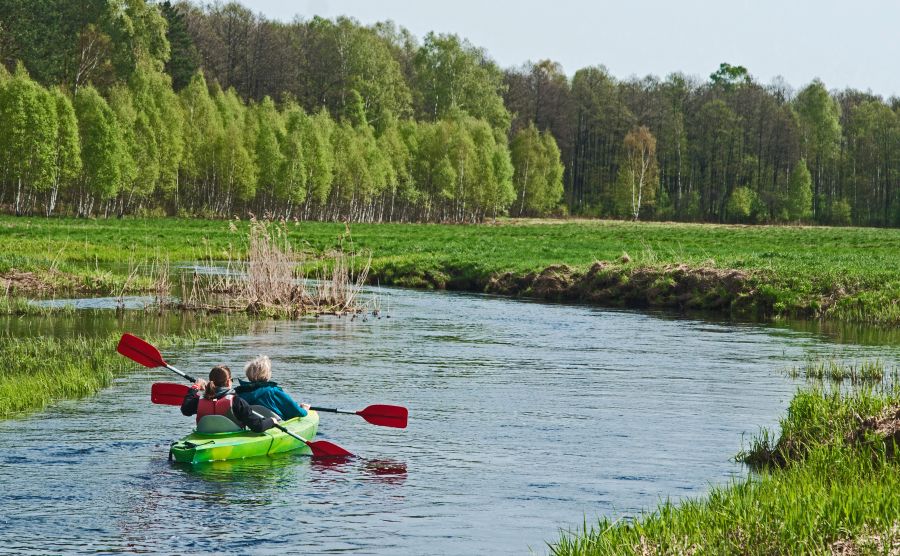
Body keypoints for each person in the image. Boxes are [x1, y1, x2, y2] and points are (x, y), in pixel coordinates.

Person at [181, 365, 278, 433]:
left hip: (204, 437)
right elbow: (258, 427)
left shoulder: (200, 401)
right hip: (230, 439)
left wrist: (195, 387)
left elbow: (185, 410)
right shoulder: (237, 402)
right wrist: (271, 421)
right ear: (228, 382)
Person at [234, 355, 310, 420]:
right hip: (274, 427)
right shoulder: (273, 391)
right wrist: (304, 409)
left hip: (251, 427)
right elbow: (297, 412)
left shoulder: (238, 394)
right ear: (267, 374)